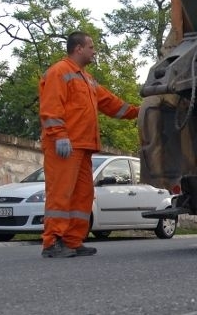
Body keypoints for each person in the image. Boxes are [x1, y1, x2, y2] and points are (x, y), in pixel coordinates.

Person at [39, 31, 139, 258]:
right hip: (65, 144)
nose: (94, 51)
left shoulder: (87, 78)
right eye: (91, 47)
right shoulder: (59, 72)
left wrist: (140, 112)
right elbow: (51, 107)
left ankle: (72, 241)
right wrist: (59, 135)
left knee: (83, 195)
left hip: (82, 146)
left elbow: (112, 104)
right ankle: (52, 242)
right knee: (60, 194)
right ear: (78, 48)